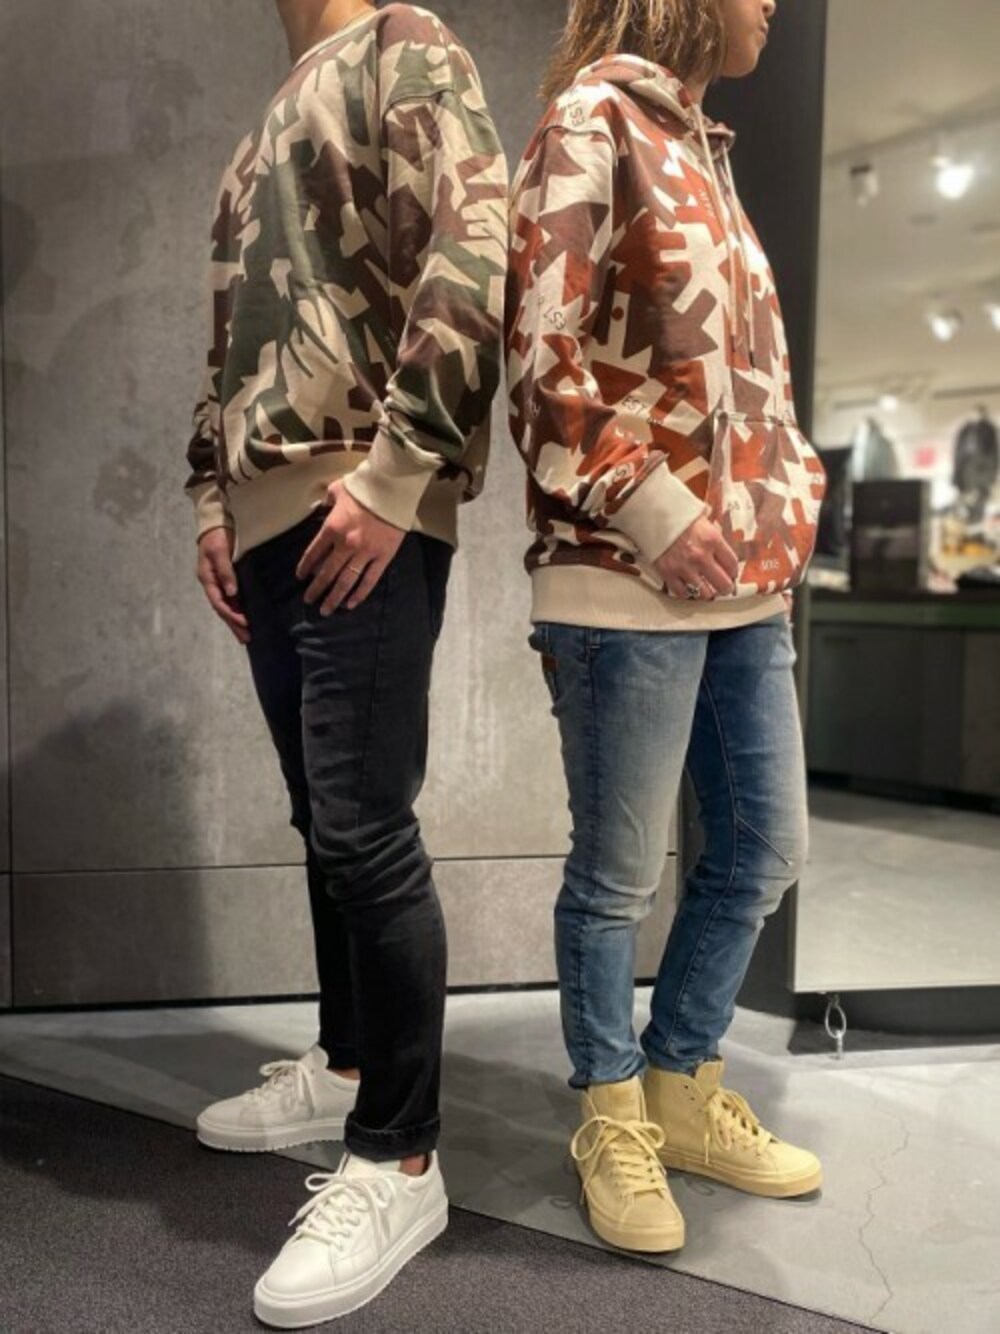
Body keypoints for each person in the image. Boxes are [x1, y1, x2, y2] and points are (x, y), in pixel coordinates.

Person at [184, 1, 506, 1323]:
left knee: (367, 824)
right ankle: (347, 1061)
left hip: (359, 499)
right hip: (269, 514)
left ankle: (400, 1154)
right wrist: (211, 502)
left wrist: (395, 473)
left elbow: (472, 256)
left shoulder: (406, 44)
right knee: (324, 816)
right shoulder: (262, 122)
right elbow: (227, 337)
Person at [507, 0, 826, 1254]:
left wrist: (790, 496)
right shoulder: (589, 123)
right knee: (616, 879)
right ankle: (610, 1112)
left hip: (745, 583)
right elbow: (539, 353)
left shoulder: (706, 150)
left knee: (763, 848)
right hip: (620, 576)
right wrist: (649, 504)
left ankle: (679, 1081)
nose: (770, 6)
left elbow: (749, 384)